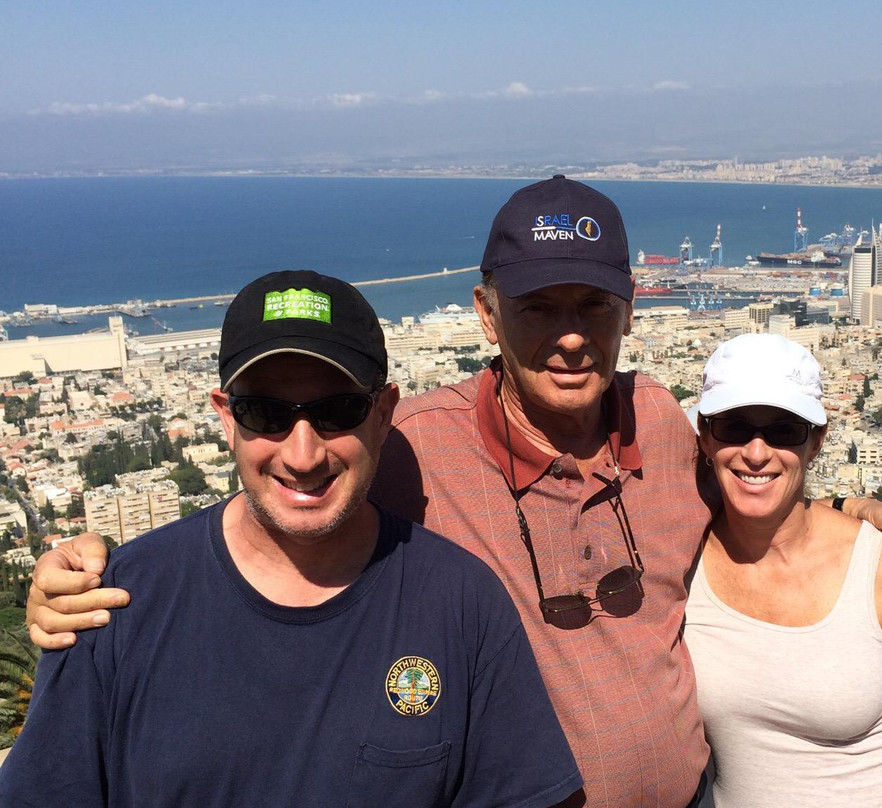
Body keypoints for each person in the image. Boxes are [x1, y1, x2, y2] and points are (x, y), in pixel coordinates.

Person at [25, 178, 882, 808]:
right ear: (485, 312)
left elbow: (763, 494)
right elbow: (285, 491)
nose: (571, 337)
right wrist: (98, 574)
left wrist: (860, 516)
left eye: (593, 307)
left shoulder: (667, 426)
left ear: (631, 309)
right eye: (539, 306)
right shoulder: (410, 447)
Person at [0, 270, 583, 808]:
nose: (303, 455)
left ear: (383, 414)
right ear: (226, 417)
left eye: (338, 411)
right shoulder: (116, 606)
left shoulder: (459, 603)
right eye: (265, 413)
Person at [684, 333, 882, 807]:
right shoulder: (679, 563)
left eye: (784, 430)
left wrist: (856, 508)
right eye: (734, 427)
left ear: (817, 441)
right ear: (704, 435)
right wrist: (854, 503)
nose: (757, 452)